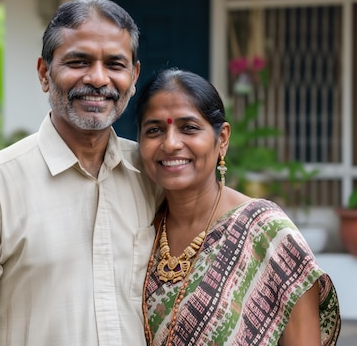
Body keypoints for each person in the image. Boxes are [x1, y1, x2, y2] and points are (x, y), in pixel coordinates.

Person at [0, 0, 159, 346]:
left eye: (115, 64)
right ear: (44, 73)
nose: (98, 78)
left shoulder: (152, 176)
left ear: (134, 76)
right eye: (78, 61)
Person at [135, 68, 341, 346]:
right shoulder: (141, 225)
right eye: (155, 130)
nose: (170, 143)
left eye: (189, 128)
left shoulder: (267, 233)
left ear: (222, 139)